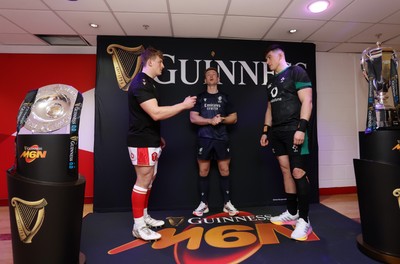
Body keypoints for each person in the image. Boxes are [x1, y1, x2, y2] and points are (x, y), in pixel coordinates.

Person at [127, 47, 197, 241]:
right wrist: (183, 105)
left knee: (149, 179)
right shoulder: (140, 83)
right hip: (141, 141)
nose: (163, 66)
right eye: (160, 62)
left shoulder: (149, 83)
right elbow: (155, 113)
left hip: (150, 139)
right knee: (143, 180)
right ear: (150, 62)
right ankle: (138, 226)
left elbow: (148, 116)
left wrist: (157, 137)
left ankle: (144, 216)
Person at [260, 44, 313, 241]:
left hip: (294, 130)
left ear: (280, 55)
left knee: (297, 171)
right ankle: (292, 212)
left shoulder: (296, 71)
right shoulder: (271, 81)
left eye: (269, 58)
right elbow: (269, 108)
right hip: (277, 132)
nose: (267, 62)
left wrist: (301, 128)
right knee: (285, 170)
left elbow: (307, 101)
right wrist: (266, 130)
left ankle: (305, 220)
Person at [190, 67, 239, 217]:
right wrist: (210, 120)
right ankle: (203, 204)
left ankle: (227, 203)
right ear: (205, 80)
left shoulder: (225, 97)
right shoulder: (199, 98)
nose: (211, 76)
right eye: (208, 75)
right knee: (203, 171)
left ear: (218, 79)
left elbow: (234, 118)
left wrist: (222, 119)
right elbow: (193, 118)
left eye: (214, 75)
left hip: (221, 138)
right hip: (204, 139)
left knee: (224, 170)